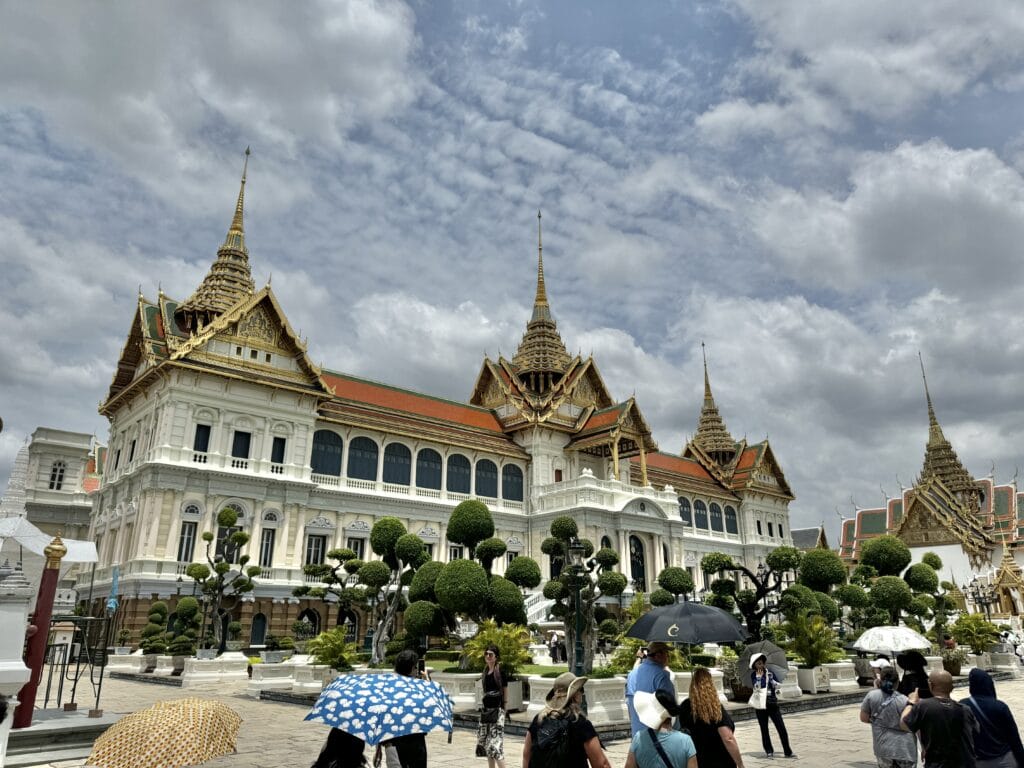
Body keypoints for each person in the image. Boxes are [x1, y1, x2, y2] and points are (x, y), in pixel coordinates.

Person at [523, 672, 611, 768]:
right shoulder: (580, 723)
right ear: (575, 695)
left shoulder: (539, 719)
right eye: (581, 689)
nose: (582, 693)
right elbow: (602, 764)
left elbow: (526, 756)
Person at [900, 669, 977, 768]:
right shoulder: (965, 709)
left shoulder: (923, 706)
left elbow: (903, 724)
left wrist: (911, 702)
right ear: (952, 687)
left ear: (930, 685)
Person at [678, 668, 746, 768]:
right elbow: (728, 738)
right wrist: (740, 763)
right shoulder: (715, 708)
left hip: (697, 760)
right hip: (720, 761)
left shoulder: (685, 706)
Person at [962, 668, 1024, 768]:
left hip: (979, 761)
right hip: (1004, 760)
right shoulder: (999, 706)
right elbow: (1013, 738)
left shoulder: (962, 706)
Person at [378, 649, 428, 768]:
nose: (416, 670)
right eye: (415, 667)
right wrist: (427, 683)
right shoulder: (418, 689)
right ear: (411, 669)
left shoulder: (387, 687)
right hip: (415, 740)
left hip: (394, 740)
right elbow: (430, 708)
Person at [859, 666, 918, 768]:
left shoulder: (871, 696)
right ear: (898, 682)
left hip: (883, 747)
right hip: (904, 749)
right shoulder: (905, 701)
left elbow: (863, 718)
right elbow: (915, 726)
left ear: (880, 680)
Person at [750, 653, 795, 759]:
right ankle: (769, 751)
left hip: (772, 702)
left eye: (761, 663)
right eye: (758, 663)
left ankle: (787, 751)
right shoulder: (753, 675)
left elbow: (778, 686)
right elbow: (757, 688)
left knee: (781, 727)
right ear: (754, 665)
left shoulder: (770, 673)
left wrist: (771, 680)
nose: (760, 665)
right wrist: (759, 678)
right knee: (764, 728)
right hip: (761, 705)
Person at [626, 642, 677, 736]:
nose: (668, 657)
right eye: (667, 654)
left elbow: (629, 705)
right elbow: (669, 710)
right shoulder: (661, 675)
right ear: (658, 655)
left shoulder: (632, 674)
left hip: (638, 735)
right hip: (658, 737)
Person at [476, 644, 507, 768]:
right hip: (486, 713)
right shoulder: (485, 672)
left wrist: (505, 707)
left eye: (491, 654)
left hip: (497, 712)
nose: (488, 656)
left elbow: (505, 689)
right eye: (486, 654)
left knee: (495, 746)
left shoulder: (500, 672)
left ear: (496, 657)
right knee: (487, 747)